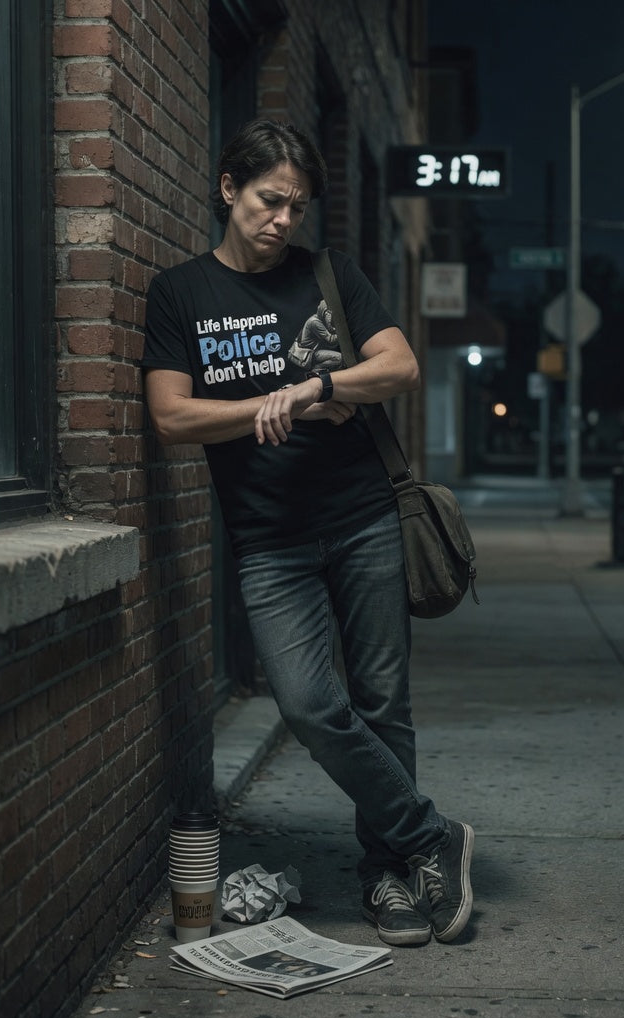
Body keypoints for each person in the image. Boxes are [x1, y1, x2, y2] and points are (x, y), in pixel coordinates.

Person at [141, 118, 474, 947]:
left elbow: (397, 366)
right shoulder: (181, 293)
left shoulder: (329, 274)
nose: (283, 220)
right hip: (268, 541)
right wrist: (274, 402)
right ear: (228, 188)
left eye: (296, 206)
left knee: (382, 704)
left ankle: (387, 878)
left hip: (362, 520)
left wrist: (323, 380)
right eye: (267, 200)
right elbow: (172, 416)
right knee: (310, 704)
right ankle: (433, 837)